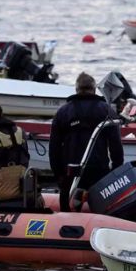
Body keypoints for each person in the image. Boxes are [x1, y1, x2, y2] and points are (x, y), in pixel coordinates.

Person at [49, 72, 124, 211]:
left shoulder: (63, 112)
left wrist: (59, 175)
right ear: (94, 89)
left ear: (76, 89)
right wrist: (114, 173)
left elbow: (54, 148)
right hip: (99, 171)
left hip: (71, 172)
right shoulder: (106, 111)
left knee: (66, 211)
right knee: (103, 211)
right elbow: (116, 148)